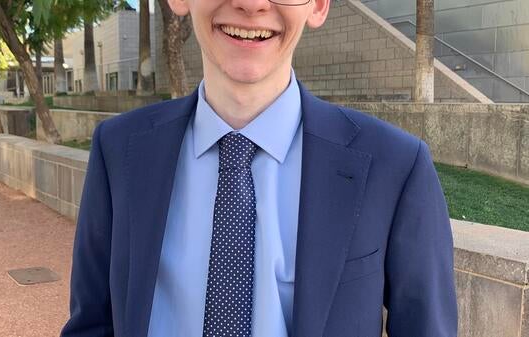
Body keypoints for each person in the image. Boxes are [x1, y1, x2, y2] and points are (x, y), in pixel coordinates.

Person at [60, 0, 458, 336]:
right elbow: (92, 324)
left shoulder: (396, 167)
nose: (252, 4)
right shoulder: (119, 151)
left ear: (318, 5)